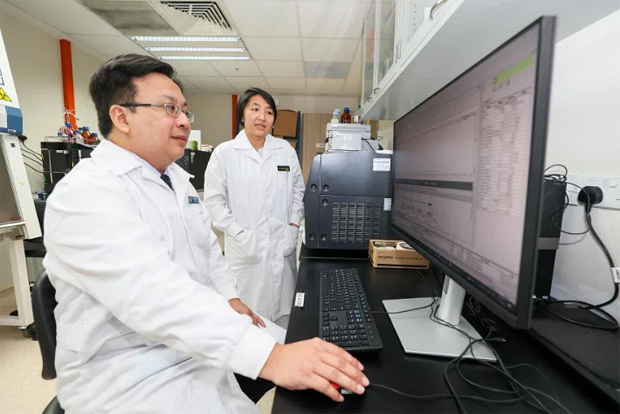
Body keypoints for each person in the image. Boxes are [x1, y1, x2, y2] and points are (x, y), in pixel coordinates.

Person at [42, 54, 368, 414]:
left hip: (193, 348)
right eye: (169, 109)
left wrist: (229, 297)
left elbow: (207, 251)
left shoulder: (175, 179)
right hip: (131, 377)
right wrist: (273, 358)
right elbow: (157, 295)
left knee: (311, 349)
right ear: (121, 116)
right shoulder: (86, 194)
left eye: (184, 110)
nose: (183, 121)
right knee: (281, 361)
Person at [204, 87, 304, 330]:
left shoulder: (285, 151)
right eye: (255, 109)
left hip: (282, 245)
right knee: (248, 324)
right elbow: (214, 202)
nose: (262, 117)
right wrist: (238, 233)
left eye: (269, 112)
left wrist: (292, 225)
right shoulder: (224, 153)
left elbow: (298, 192)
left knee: (283, 319)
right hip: (246, 251)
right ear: (242, 115)